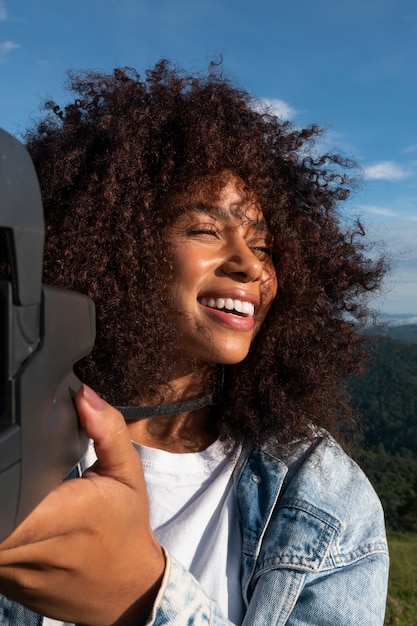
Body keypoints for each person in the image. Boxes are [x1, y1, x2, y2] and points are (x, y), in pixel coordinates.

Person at [0, 60, 389, 625]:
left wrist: (138, 597)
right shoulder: (14, 438)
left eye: (264, 244)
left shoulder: (323, 497)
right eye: (206, 230)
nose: (251, 264)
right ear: (117, 246)